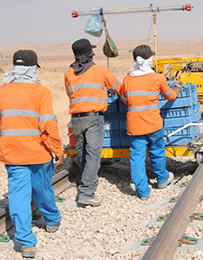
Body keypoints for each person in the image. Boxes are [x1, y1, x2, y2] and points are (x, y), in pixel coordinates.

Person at [0, 50, 63, 258]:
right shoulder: (41, 91)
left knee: (18, 195)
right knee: (43, 189)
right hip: (39, 154)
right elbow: (49, 125)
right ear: (32, 68)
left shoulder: (2, 92)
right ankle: (53, 220)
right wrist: (57, 150)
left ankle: (27, 243)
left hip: (14, 154)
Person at [64, 38, 122, 207]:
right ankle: (87, 192)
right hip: (93, 118)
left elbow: (71, 94)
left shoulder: (68, 73)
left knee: (82, 154)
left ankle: (87, 182)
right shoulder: (100, 70)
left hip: (76, 119)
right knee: (93, 155)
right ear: (90, 53)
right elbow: (118, 88)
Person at [120, 45, 180, 200]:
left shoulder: (127, 79)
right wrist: (177, 89)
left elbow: (124, 99)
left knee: (137, 157)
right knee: (157, 151)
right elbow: (170, 96)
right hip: (153, 124)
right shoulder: (157, 78)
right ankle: (162, 179)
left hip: (135, 126)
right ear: (149, 59)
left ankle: (143, 191)